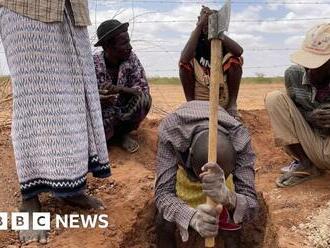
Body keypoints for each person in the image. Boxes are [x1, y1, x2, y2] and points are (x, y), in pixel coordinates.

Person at [0, 0, 111, 244]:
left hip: (72, 10)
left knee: (76, 97)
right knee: (34, 98)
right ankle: (29, 197)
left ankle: (71, 187)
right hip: (24, 8)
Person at [155, 100, 258, 247]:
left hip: (223, 186)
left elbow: (252, 204)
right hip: (184, 163)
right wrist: (192, 217)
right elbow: (163, 194)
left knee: (233, 223)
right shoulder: (171, 132)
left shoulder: (240, 140)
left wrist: (229, 198)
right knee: (164, 221)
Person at [265, 23, 330, 187]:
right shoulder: (293, 75)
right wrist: (309, 117)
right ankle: (306, 165)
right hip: (311, 143)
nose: (310, 69)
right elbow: (293, 116)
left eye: (319, 64)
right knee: (274, 98)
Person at [93, 19, 152, 153]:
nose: (130, 47)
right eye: (124, 43)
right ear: (108, 45)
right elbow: (81, 94)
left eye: (129, 41)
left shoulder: (131, 59)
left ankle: (120, 135)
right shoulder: (93, 64)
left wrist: (120, 89)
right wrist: (98, 98)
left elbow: (142, 89)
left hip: (124, 114)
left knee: (144, 99)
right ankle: (110, 138)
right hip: (101, 117)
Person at [179, 6, 243, 120]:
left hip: (222, 96)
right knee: (184, 62)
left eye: (210, 22)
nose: (206, 26)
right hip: (200, 98)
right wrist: (199, 26)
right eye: (205, 21)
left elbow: (239, 51)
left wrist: (217, 32)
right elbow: (184, 59)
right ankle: (190, 105)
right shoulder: (196, 41)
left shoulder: (222, 41)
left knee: (235, 59)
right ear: (199, 20)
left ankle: (232, 105)